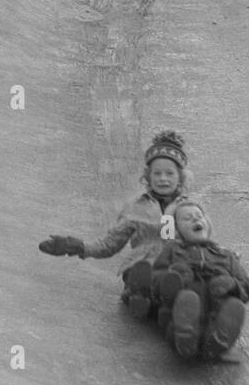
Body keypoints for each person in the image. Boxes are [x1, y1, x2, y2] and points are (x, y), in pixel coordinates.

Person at [37, 130, 192, 319]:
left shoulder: (189, 208)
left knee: (185, 280)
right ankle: (139, 295)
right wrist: (79, 247)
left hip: (176, 264)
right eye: (157, 173)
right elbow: (110, 244)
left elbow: (201, 237)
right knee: (142, 271)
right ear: (148, 176)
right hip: (145, 264)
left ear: (180, 178)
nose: (163, 179)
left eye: (169, 173)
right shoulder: (136, 208)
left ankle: (183, 313)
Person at [149, 198, 249, 360]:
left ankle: (219, 340)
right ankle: (184, 338)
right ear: (176, 230)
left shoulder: (226, 255)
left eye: (199, 216)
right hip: (183, 306)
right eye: (186, 218)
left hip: (216, 309)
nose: (195, 219)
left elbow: (246, 285)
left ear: (207, 223)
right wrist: (175, 275)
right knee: (187, 299)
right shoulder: (173, 250)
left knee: (232, 305)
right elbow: (155, 279)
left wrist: (232, 285)